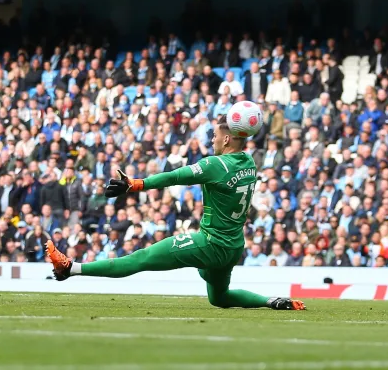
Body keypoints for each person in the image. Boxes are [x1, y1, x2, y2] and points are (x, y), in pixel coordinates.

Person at [46, 118, 306, 311]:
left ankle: (71, 268)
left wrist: (136, 184)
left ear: (226, 139)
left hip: (211, 243)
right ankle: (272, 301)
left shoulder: (215, 164)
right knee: (220, 298)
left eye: (215, 136)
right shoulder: (249, 162)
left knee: (141, 258)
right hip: (233, 247)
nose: (212, 140)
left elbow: (174, 176)